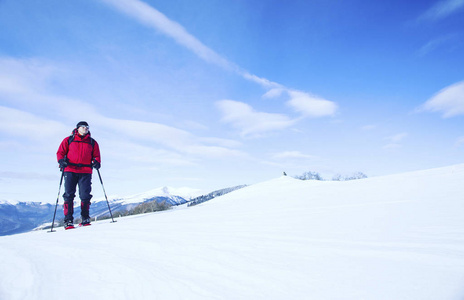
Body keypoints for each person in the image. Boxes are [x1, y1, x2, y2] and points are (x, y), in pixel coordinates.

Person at [57, 121, 101, 229]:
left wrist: (97, 162)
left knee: (85, 195)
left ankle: (85, 218)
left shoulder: (92, 142)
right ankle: (68, 220)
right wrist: (61, 161)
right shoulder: (68, 140)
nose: (85, 129)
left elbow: (97, 155)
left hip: (85, 171)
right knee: (69, 195)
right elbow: (60, 152)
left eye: (87, 127)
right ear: (77, 128)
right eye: (83, 127)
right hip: (70, 169)